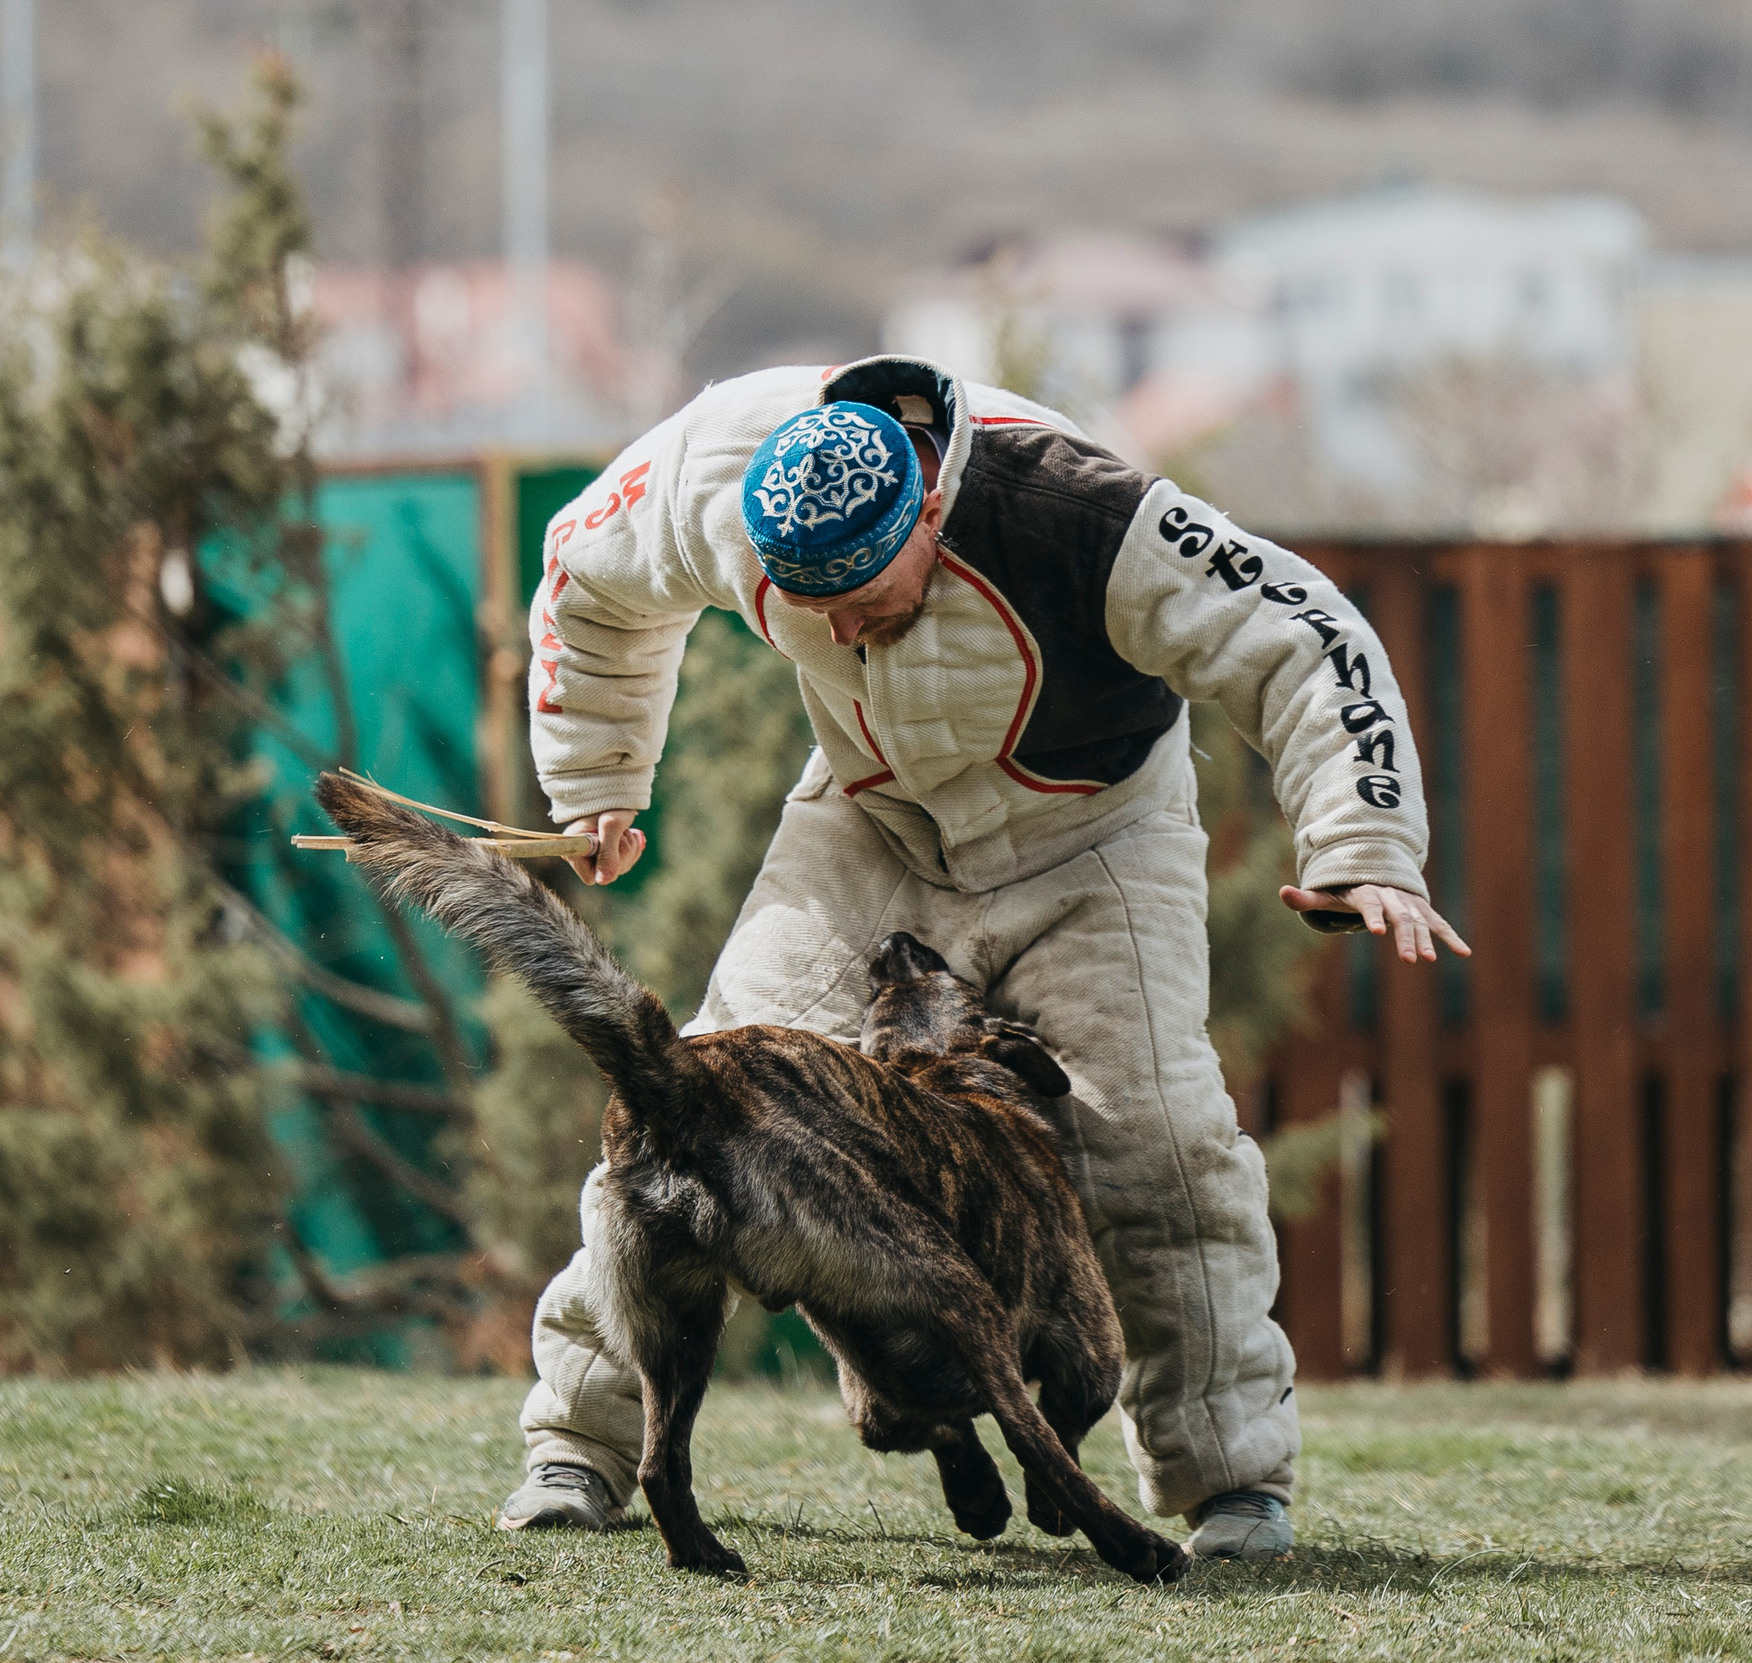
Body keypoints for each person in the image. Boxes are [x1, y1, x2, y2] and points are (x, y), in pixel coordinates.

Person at [499, 354, 1466, 1561]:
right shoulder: (720, 464)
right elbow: (584, 572)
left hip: (1098, 837)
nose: (838, 628)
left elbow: (1302, 632)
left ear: (930, 510)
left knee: (1160, 1146)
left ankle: (1232, 1486)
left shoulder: (1083, 514)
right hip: (868, 816)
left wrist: (1361, 841)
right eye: (808, 603)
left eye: (861, 592)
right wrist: (595, 780)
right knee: (688, 1097)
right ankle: (575, 1452)